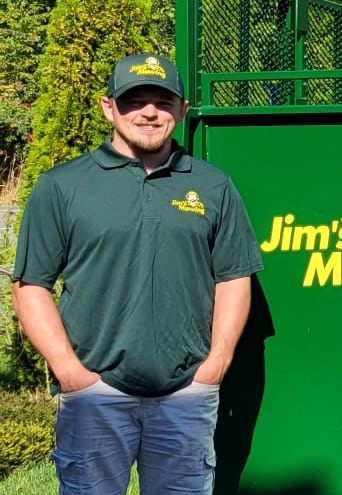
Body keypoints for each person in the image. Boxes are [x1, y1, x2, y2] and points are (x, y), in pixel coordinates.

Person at [11, 54, 263, 494]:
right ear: (108, 107)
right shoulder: (63, 186)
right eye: (134, 101)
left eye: (163, 102)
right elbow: (31, 284)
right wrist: (71, 373)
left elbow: (233, 277)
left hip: (185, 396)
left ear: (182, 110)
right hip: (94, 396)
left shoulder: (213, 186)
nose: (149, 112)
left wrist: (215, 366)